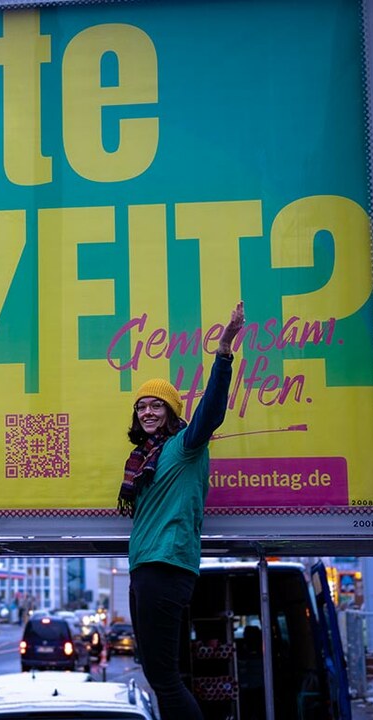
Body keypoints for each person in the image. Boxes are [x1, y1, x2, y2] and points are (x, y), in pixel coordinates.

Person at [118, 302, 243, 720]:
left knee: (165, 678)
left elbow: (212, 409)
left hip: (166, 566)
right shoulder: (143, 460)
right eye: (142, 406)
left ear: (172, 412)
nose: (148, 412)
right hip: (147, 568)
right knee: (158, 675)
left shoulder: (186, 446)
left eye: (157, 405)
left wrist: (223, 351)